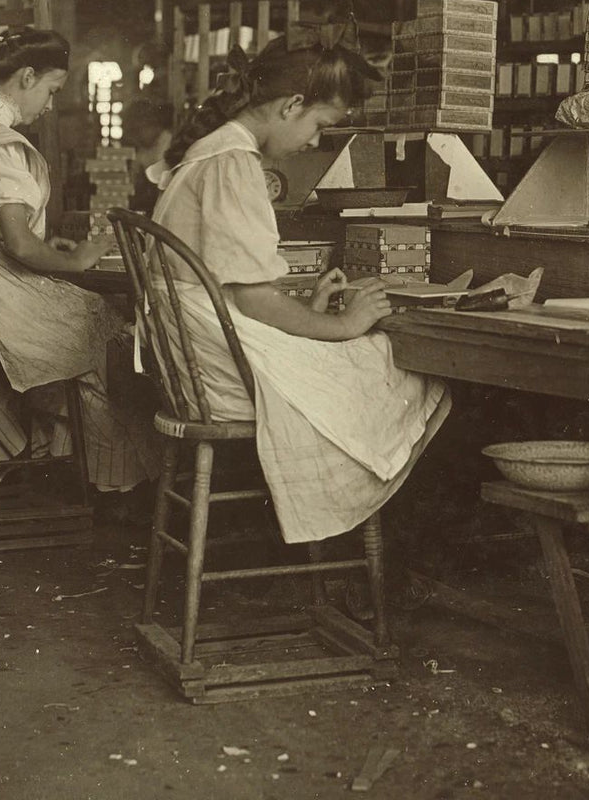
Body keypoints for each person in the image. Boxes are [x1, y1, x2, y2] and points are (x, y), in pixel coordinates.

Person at [148, 29, 451, 544]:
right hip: (224, 369)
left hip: (196, 357)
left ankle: (355, 548)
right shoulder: (234, 164)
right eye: (319, 125)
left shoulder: (204, 153)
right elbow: (252, 299)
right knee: (409, 369)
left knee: (373, 364)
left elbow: (240, 296)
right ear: (292, 105)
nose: (314, 141)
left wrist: (309, 314)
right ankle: (372, 551)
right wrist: (340, 324)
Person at [0, 27, 156, 493]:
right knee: (108, 334)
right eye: (51, 91)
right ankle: (113, 484)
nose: (49, 106)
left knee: (80, 334)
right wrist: (80, 258)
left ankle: (37, 461)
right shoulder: (2, 147)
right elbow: (21, 246)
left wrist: (48, 249)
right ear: (27, 77)